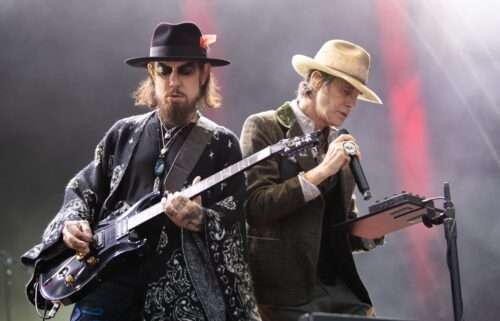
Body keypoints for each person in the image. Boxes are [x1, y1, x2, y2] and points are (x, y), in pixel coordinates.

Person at [21, 22, 260, 321]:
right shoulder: (122, 133)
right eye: (164, 70)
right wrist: (74, 223)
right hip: (110, 277)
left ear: (203, 75)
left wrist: (201, 220)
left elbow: (237, 219)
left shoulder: (223, 144)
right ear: (152, 73)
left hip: (182, 291)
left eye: (185, 71)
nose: (174, 81)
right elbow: (82, 190)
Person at [239, 39, 384, 321]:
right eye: (346, 91)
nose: (352, 104)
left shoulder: (338, 143)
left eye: (356, 96)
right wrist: (322, 171)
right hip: (281, 291)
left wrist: (374, 230)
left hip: (337, 289)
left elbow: (335, 226)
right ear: (316, 80)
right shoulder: (265, 126)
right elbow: (255, 208)